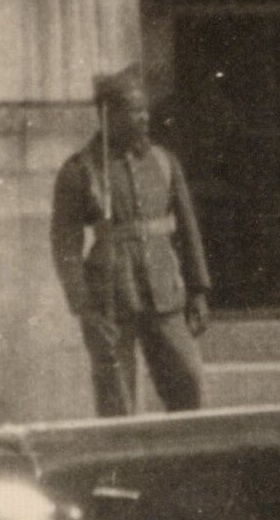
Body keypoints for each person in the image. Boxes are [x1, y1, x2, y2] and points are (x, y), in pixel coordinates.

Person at [51, 66, 212, 417]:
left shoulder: (164, 163)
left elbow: (187, 229)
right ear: (108, 114)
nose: (143, 119)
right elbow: (65, 245)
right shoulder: (80, 170)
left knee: (189, 382)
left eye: (144, 110)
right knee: (117, 401)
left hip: (164, 292)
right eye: (134, 111)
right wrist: (82, 306)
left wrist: (198, 289)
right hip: (109, 299)